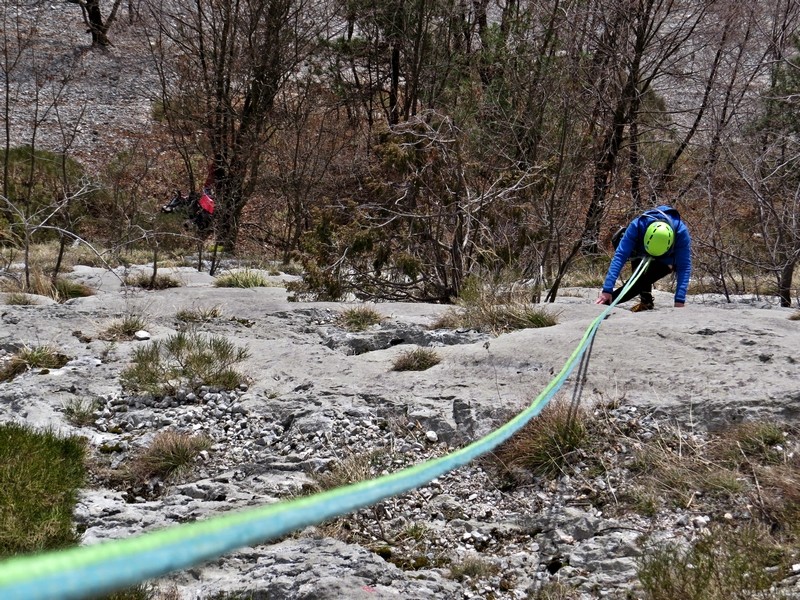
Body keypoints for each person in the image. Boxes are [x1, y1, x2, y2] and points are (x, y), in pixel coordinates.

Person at [595, 205, 691, 311]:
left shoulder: (681, 232)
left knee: (643, 280)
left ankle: (611, 301)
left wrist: (679, 300)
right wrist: (607, 290)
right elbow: (620, 256)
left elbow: (684, 267)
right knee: (638, 276)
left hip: (667, 259)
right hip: (640, 251)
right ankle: (645, 301)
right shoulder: (637, 225)